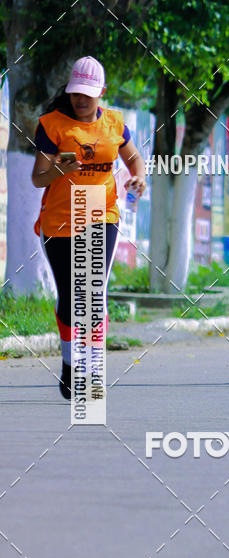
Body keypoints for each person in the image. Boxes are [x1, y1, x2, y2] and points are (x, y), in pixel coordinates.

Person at [32, 56, 146, 398]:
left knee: (93, 294)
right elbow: (38, 178)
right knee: (71, 297)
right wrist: (61, 170)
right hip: (58, 221)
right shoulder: (51, 125)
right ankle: (70, 365)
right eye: (76, 94)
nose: (81, 100)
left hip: (101, 213)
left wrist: (138, 177)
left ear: (102, 93)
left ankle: (94, 370)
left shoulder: (114, 123)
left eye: (88, 95)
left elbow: (134, 158)